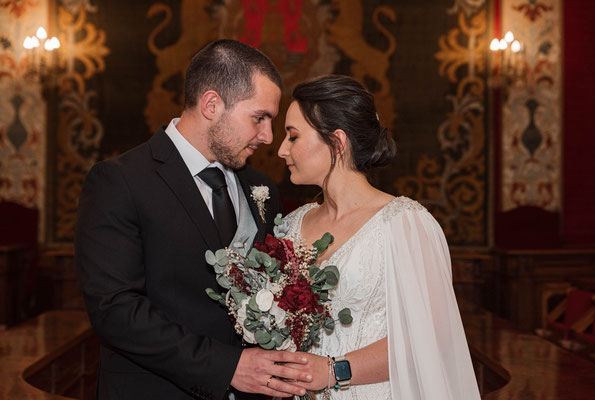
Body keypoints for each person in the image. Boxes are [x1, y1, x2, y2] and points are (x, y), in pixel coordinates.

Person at [75, 39, 312, 400]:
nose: (267, 136)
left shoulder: (261, 188)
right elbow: (116, 310)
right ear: (212, 104)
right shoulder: (120, 181)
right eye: (259, 118)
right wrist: (227, 367)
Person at [276, 75, 481, 399]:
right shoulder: (289, 227)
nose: (281, 150)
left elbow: (432, 339)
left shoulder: (405, 225)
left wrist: (333, 371)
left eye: (293, 137)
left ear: (337, 143)